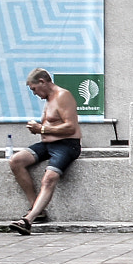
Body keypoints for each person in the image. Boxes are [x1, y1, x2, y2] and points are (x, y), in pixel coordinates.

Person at [8, 68, 80, 234]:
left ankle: (28, 220)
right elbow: (49, 127)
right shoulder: (49, 99)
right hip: (48, 144)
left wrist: (41, 129)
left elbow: (70, 127)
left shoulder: (63, 96)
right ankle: (37, 208)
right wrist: (39, 130)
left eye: (34, 89)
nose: (34, 93)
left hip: (67, 145)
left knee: (49, 177)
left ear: (42, 82)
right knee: (16, 160)